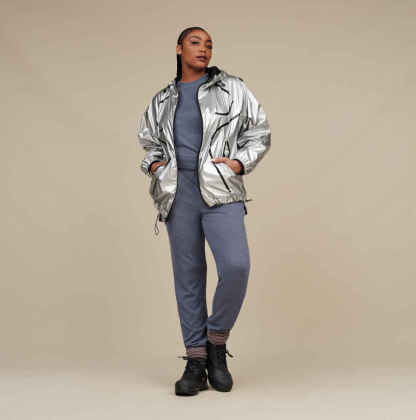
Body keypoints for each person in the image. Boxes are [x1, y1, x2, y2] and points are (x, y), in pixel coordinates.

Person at [137, 26, 271, 396]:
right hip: (177, 194)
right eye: (195, 42)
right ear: (179, 48)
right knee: (188, 277)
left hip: (221, 191)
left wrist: (239, 163)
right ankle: (195, 362)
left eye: (209, 44)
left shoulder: (232, 88)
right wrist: (155, 166)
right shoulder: (162, 99)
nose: (204, 49)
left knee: (236, 266)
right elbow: (149, 142)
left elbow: (259, 131)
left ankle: (216, 342)